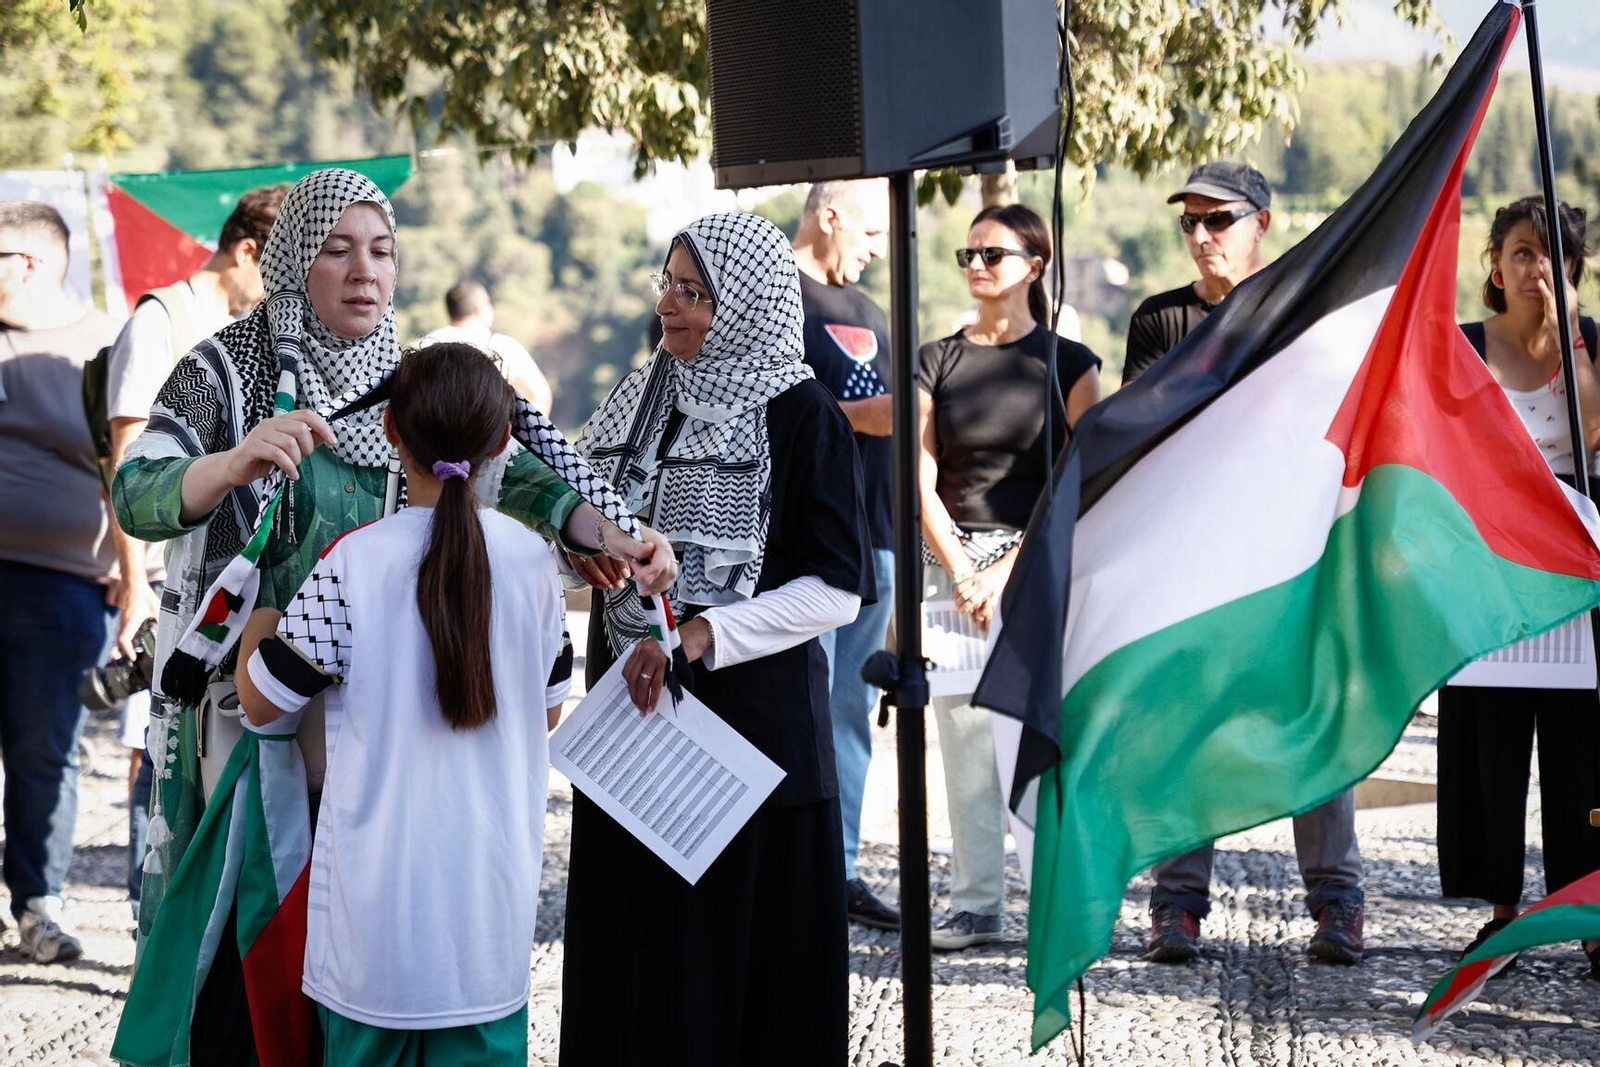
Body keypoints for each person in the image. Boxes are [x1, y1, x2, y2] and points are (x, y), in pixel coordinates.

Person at [112, 169, 674, 1058]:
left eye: (381, 251)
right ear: (294, 258)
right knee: (245, 953)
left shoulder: (409, 380)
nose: (364, 271)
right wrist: (230, 463)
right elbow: (135, 490)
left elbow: (522, 476)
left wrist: (616, 531)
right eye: (337, 249)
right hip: (251, 716)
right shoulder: (225, 367)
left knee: (365, 945)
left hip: (384, 716)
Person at [560, 212, 872, 1066]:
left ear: (747, 303)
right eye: (666, 284)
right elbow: (586, 502)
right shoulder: (643, 396)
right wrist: (583, 548)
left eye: (694, 292)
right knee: (641, 972)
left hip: (749, 749)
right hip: (635, 731)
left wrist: (704, 633)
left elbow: (837, 589)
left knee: (732, 983)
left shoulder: (803, 415)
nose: (671, 305)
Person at [236, 341, 569, 1063]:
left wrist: (261, 620)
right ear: (503, 441)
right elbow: (547, 714)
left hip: (374, 934)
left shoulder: (355, 559)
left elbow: (263, 703)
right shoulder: (537, 563)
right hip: (488, 930)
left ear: (390, 430)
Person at [1125, 162, 1366, 966]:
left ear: (1262, 222)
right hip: (1191, 557)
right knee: (1184, 729)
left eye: (1217, 220)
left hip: (1291, 551)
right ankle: (1177, 907)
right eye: (1188, 222)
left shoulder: (1309, 309)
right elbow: (1139, 441)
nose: (1200, 237)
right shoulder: (1159, 321)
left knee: (1313, 721)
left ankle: (1337, 903)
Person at [918, 203, 1101, 950]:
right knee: (962, 741)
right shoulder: (935, 358)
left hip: (1036, 569)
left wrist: (1005, 571)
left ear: (1036, 265)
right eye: (969, 253)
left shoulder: (1070, 363)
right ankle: (976, 903)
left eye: (993, 254)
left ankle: (1059, 897)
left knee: (1046, 736)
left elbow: (1080, 476)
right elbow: (915, 477)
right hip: (952, 567)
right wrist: (962, 569)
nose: (977, 266)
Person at [101, 183, 287, 920]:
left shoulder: (276, 337)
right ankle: (155, 907)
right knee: (161, 749)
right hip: (165, 579)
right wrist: (134, 582)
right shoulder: (169, 323)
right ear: (252, 250)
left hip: (236, 602)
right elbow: (129, 459)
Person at [1439, 195, 1600, 979]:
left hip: (1576, 576)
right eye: (1524, 251)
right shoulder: (1463, 347)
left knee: (1584, 755)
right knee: (1491, 746)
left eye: (1555, 254)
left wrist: (1569, 333)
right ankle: (1500, 916)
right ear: (1494, 264)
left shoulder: (1592, 344)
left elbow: (1595, 433)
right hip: (1488, 570)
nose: (1538, 266)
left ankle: (1589, 914)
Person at [0, 200, 122, 962]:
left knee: (46, 748)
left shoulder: (100, 344)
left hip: (66, 583)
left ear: (35, 263)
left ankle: (39, 905)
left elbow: (131, 465)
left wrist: (135, 579)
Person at [792, 178, 899, 929]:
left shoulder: (870, 313)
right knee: (799, 701)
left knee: (852, 705)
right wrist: (862, 416)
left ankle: (841, 867)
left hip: (879, 533)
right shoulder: (772, 296)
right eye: (867, 233)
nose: (874, 250)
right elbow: (770, 411)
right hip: (806, 537)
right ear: (828, 216)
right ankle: (794, 863)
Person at [417, 279, 553, 415]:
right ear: (479, 310)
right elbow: (540, 395)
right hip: (489, 430)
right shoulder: (501, 345)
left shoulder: (424, 346)